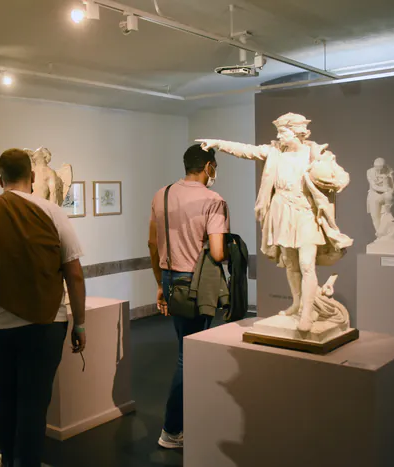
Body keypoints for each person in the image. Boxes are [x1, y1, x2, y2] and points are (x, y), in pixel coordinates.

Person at [0, 148, 86, 467]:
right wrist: (79, 323)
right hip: (46, 325)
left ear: (0, 179)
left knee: (7, 399)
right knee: (34, 403)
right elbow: (74, 272)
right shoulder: (53, 213)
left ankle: (10, 459)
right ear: (32, 177)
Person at [198, 112, 352, 332]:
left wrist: (326, 173)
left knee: (307, 264)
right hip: (281, 210)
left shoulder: (315, 154)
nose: (279, 136)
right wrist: (218, 143)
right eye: (278, 132)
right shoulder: (275, 152)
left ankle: (308, 312)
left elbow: (341, 179)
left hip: (305, 212)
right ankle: (298, 303)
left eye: (283, 132)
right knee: (290, 263)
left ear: (298, 132)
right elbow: (247, 151)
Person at [148, 144, 229, 449]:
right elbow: (218, 252)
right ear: (208, 166)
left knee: (187, 350)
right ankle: (171, 429)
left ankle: (187, 422)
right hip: (196, 283)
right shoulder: (214, 200)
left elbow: (152, 243)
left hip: (170, 279)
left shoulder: (163, 194)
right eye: (214, 166)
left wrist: (160, 283)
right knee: (189, 354)